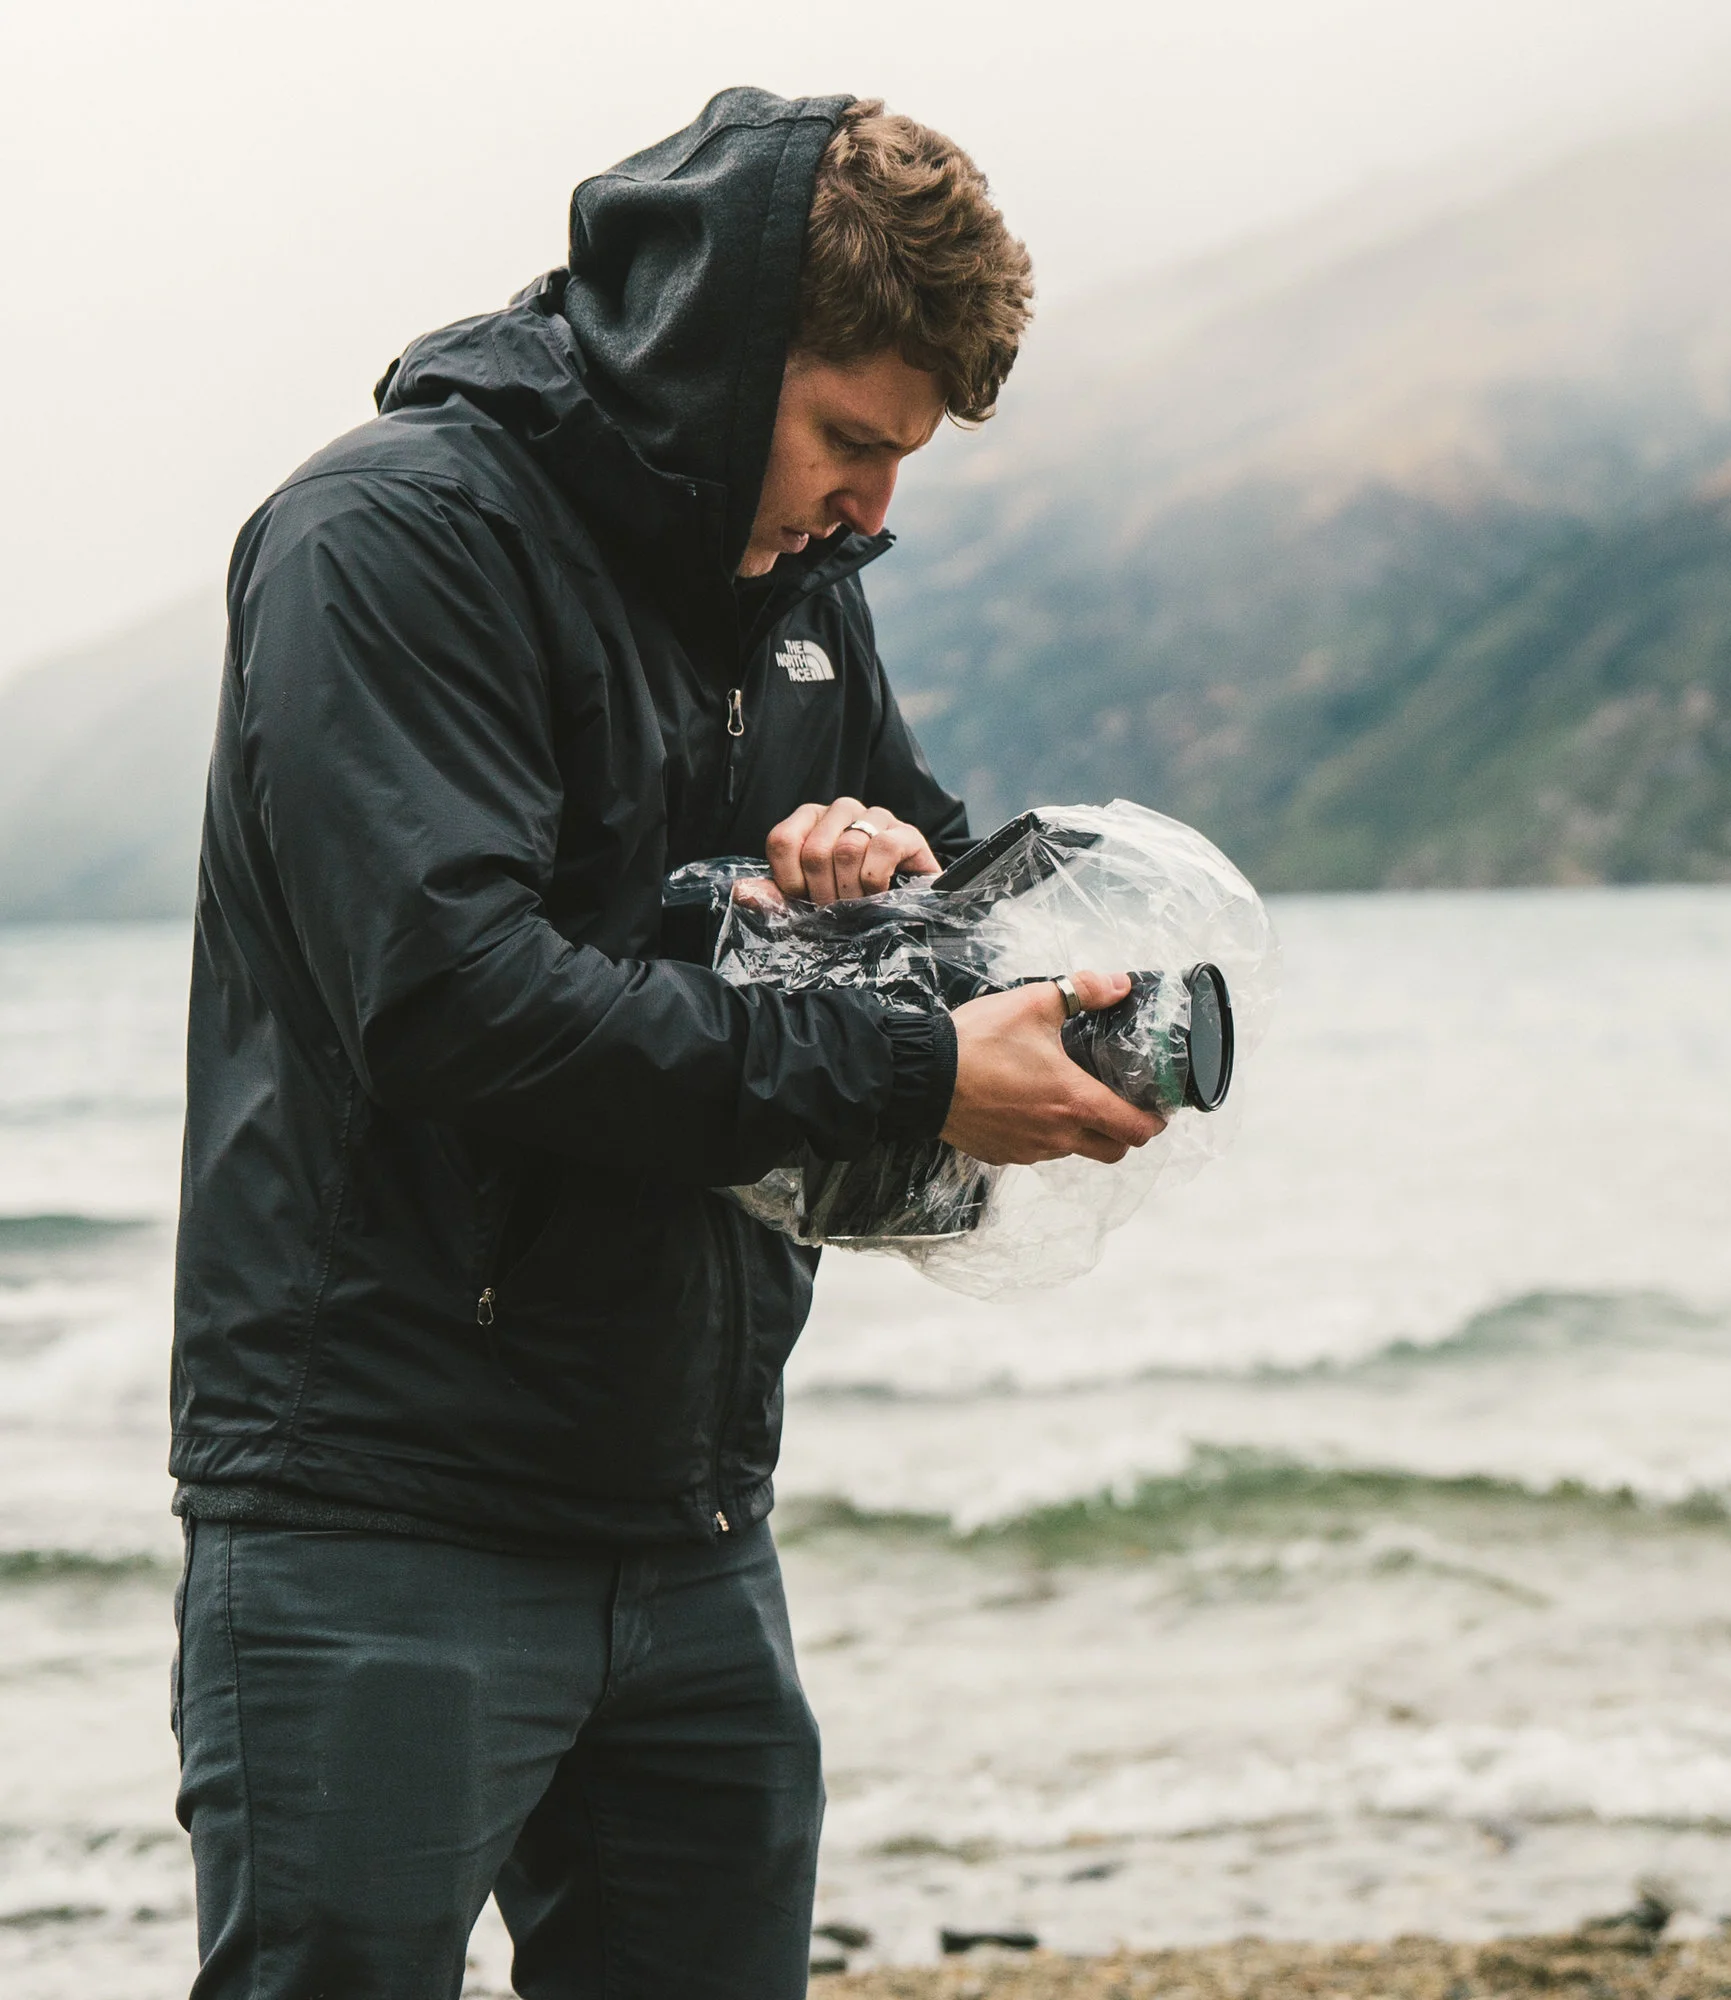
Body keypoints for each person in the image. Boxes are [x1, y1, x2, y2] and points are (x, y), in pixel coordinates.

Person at [169, 90, 1160, 1998]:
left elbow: (945, 913)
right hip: (378, 1506)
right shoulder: (384, 539)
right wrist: (905, 1073)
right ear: (712, 362)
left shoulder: (792, 591)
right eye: (854, 441)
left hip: (690, 1507)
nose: (879, 507)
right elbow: (451, 1001)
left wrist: (877, 888)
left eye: (906, 459)